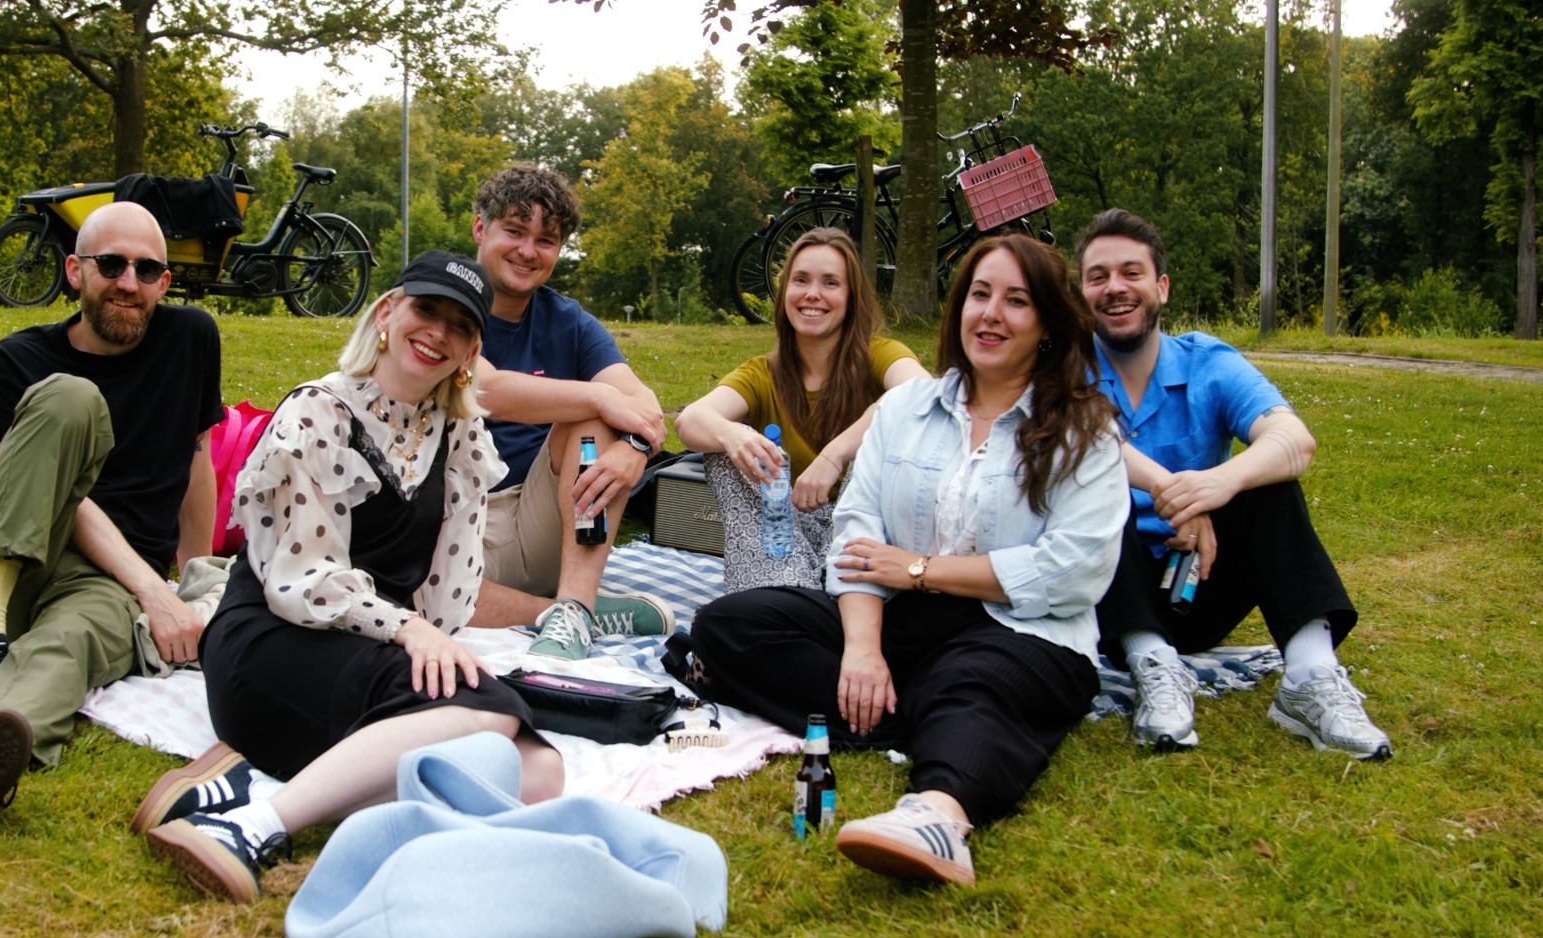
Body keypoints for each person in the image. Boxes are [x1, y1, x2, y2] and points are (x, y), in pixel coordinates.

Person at [689, 235, 1129, 886]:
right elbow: (857, 531)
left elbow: (1073, 571)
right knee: (732, 623)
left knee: (975, 679)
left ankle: (937, 814)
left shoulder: (1083, 430)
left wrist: (921, 571)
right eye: (980, 294)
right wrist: (862, 647)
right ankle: (914, 712)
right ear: (957, 310)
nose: (991, 314)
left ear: (1046, 325)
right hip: (899, 624)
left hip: (1020, 629)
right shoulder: (905, 409)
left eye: (1016, 300)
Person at [136, 252, 564, 902]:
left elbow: (447, 599)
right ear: (389, 313)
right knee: (494, 716)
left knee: (539, 771)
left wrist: (428, 640)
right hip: (274, 641)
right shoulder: (320, 411)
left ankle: (244, 786)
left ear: (473, 348)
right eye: (427, 309)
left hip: (375, 651)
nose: (438, 333)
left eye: (459, 325)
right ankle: (247, 827)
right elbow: (303, 579)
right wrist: (412, 634)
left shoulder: (461, 437)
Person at [0, 201, 222, 827]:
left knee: (67, 645)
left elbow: (197, 455)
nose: (129, 282)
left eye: (147, 269)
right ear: (75, 271)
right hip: (2, 558)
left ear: (165, 283)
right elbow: (60, 501)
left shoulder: (191, 339)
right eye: (111, 264)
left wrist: (190, 577)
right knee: (73, 399)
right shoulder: (17, 360)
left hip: (105, 583)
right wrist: (152, 589)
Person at [1076, 208, 1391, 760]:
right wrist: (1179, 497)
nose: (1115, 288)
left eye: (1131, 272)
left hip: (1193, 586)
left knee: (1269, 485)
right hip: (1097, 596)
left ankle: (1310, 674)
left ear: (1162, 287)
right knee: (1094, 489)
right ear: (1082, 293)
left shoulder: (1208, 361)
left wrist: (1219, 485)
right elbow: (1084, 442)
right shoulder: (1063, 367)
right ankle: (1153, 669)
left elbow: (1294, 439)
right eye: (1097, 276)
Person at [460, 164, 674, 660]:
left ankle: (573, 608)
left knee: (591, 424)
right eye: (514, 231)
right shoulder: (447, 304)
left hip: (546, 521)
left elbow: (643, 406)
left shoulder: (569, 321)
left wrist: (635, 447)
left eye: (546, 240)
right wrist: (598, 396)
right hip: (455, 519)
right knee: (397, 592)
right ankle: (563, 614)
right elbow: (486, 387)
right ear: (480, 228)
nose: (528, 251)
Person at [675, 227, 929, 586]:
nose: (813, 294)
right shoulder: (762, 374)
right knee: (725, 448)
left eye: (830, 283)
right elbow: (690, 420)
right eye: (801, 280)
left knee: (890, 428)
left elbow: (922, 392)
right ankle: (784, 585)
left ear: (851, 296)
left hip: (862, 532)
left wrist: (835, 454)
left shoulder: (879, 354)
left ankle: (836, 583)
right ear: (784, 293)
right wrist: (734, 434)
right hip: (785, 536)